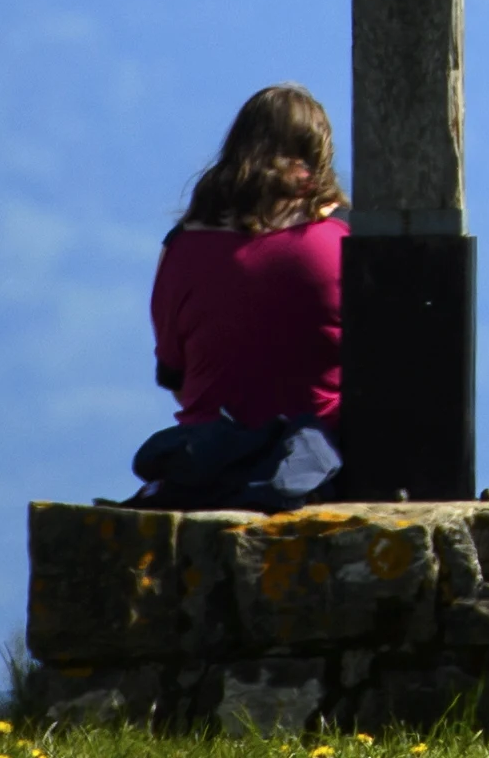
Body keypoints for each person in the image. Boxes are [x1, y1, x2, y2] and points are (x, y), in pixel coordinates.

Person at [132, 82, 348, 510]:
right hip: (316, 466)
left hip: (206, 464)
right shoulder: (341, 240)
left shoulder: (181, 247)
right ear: (317, 158)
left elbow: (177, 378)